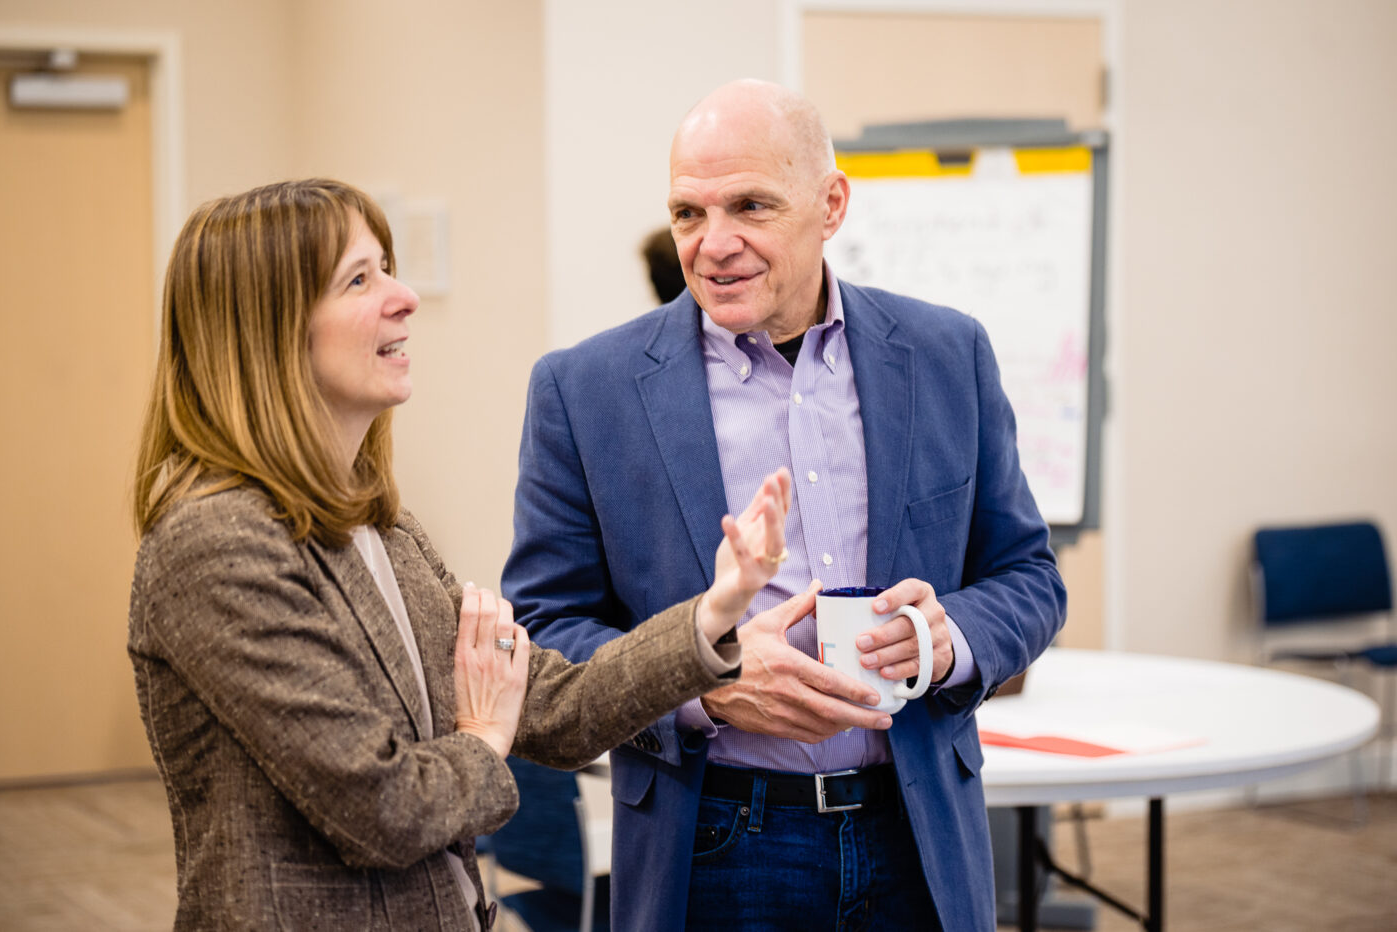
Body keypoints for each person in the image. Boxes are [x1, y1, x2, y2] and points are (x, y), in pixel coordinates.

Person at [127, 178, 795, 931]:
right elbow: (384, 808)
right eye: (360, 279)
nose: (405, 297)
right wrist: (482, 739)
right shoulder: (215, 547)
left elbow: (550, 703)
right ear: (268, 332)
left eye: (388, 267)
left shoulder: (382, 528)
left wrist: (712, 618)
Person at [503, 80, 1067, 931]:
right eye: (688, 213)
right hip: (715, 839)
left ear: (831, 204)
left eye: (751, 207)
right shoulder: (585, 391)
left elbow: (1028, 576)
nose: (713, 244)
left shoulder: (948, 355)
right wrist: (702, 682)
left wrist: (945, 641)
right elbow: (547, 629)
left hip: (918, 832)